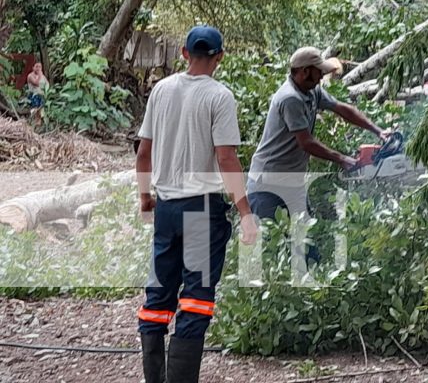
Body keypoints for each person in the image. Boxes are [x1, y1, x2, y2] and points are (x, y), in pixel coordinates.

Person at [135, 25, 258, 383]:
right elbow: (227, 159)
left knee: (158, 296)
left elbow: (144, 153)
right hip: (202, 211)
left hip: (167, 210)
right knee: (196, 299)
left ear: (185, 54)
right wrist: (246, 212)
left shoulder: (161, 90)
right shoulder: (219, 96)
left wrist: (146, 198)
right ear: (220, 57)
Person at [247, 46, 389, 267]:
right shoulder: (290, 98)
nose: (322, 75)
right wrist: (343, 159)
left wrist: (378, 131)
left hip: (292, 182)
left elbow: (342, 108)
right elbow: (307, 143)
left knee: (306, 249)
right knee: (272, 252)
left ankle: (307, 291)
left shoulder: (312, 90)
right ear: (304, 72)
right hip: (267, 184)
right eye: (318, 71)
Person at [26, 62, 48, 127]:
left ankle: (39, 123)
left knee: (41, 110)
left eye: (40, 67)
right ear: (33, 68)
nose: (38, 68)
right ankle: (32, 123)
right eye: (36, 66)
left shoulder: (42, 76)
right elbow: (36, 83)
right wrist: (40, 76)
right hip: (34, 95)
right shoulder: (30, 76)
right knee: (35, 110)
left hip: (42, 95)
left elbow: (47, 83)